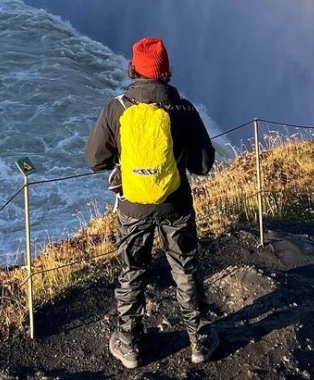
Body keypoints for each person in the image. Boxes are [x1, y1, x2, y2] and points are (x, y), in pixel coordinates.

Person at [84, 36, 217, 369]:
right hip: (176, 205)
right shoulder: (182, 109)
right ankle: (199, 342)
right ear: (166, 71)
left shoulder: (117, 108)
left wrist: (127, 159)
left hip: (133, 207)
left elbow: (94, 159)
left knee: (132, 272)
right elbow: (203, 164)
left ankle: (128, 344)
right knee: (185, 270)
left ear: (133, 69)